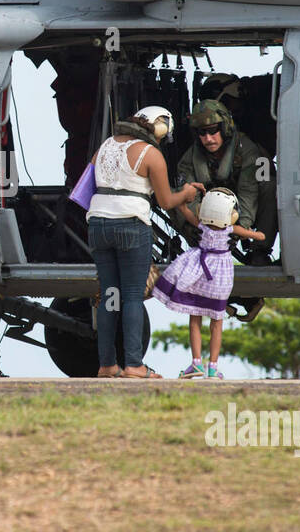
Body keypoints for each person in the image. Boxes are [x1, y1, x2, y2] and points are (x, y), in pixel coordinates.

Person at [87, 106, 204, 379]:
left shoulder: (104, 146)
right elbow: (165, 202)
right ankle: (134, 365)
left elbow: (89, 181)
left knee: (109, 296)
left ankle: (107, 365)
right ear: (159, 127)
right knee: (131, 296)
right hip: (130, 224)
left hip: (98, 225)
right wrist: (186, 193)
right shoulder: (151, 154)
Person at [153, 188, 265, 379]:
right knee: (216, 323)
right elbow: (258, 236)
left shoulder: (201, 225)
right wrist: (258, 235)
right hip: (220, 279)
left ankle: (196, 363)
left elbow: (185, 212)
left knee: (195, 319)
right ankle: (213, 367)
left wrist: (182, 203)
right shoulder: (231, 229)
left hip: (198, 274)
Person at [174, 99, 278, 266]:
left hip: (242, 210)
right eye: (202, 133)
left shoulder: (247, 150)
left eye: (213, 130)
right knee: (175, 196)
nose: (208, 139)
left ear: (224, 128)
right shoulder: (190, 159)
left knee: (269, 186)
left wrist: (238, 230)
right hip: (208, 217)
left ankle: (260, 250)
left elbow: (248, 192)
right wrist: (202, 228)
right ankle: (202, 247)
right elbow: (186, 196)